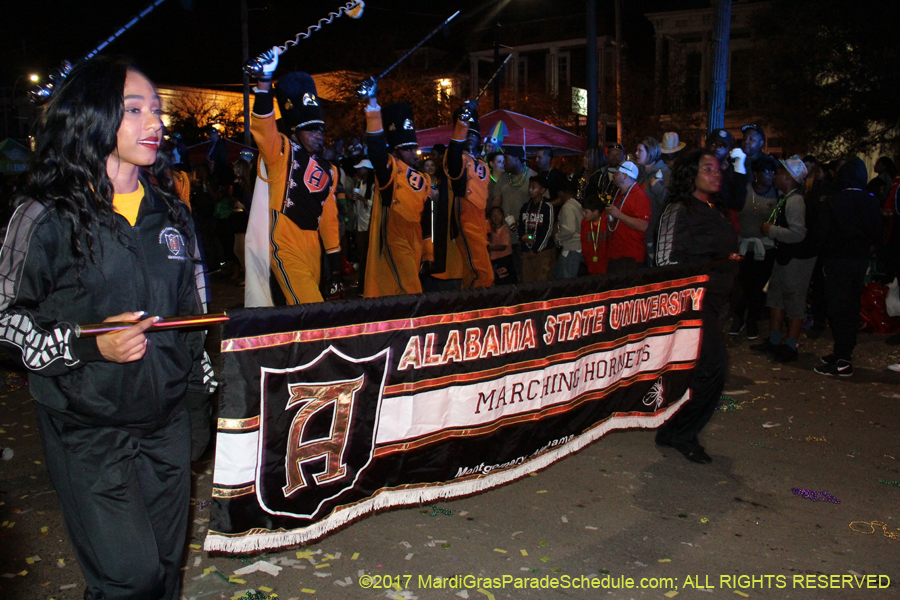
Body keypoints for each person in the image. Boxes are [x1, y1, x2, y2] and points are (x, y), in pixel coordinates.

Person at [0, 57, 217, 599]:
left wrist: (202, 402)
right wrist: (88, 344)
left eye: (158, 110)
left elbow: (194, 318)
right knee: (128, 578)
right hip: (86, 430)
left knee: (165, 573)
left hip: (166, 424)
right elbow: (5, 322)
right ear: (92, 118)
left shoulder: (173, 213)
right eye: (134, 110)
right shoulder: (44, 214)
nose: (155, 123)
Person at [654, 149, 739, 464]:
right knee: (713, 368)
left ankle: (671, 430)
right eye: (708, 169)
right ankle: (683, 433)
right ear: (691, 175)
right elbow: (665, 261)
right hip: (691, 304)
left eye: (719, 169)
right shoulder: (679, 209)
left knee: (699, 371)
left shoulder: (715, 209)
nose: (716, 174)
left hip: (714, 303)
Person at [246, 49, 343, 305]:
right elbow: (263, 128)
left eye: (320, 130)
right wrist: (264, 81)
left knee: (299, 316)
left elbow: (329, 219)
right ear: (295, 132)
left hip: (313, 248)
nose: (318, 135)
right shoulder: (282, 152)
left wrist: (335, 267)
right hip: (284, 244)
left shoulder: (330, 170)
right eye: (310, 130)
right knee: (311, 308)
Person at [814, 158, 883, 376]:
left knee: (839, 308)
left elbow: (822, 232)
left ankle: (843, 359)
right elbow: (878, 233)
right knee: (851, 306)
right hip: (859, 261)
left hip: (837, 261)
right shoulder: (871, 201)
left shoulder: (835, 201)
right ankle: (842, 352)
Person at [362, 98, 433, 296]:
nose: (413, 153)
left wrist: (428, 251)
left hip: (415, 239)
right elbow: (376, 153)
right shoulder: (389, 171)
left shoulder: (423, 179)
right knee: (412, 289)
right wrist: (374, 114)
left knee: (399, 291)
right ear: (395, 151)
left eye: (413, 148)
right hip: (394, 237)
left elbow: (427, 217)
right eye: (406, 148)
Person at [751, 156, 813, 363]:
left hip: (796, 259)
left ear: (788, 177)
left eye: (778, 172)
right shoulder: (787, 198)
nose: (774, 176)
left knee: (794, 299)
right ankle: (775, 339)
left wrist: (772, 230)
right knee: (776, 297)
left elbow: (798, 234)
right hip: (785, 256)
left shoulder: (795, 201)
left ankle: (790, 344)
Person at [729, 154, 779, 339]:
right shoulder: (744, 191)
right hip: (743, 246)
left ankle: (752, 321)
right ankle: (738, 319)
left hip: (764, 249)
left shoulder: (777, 195)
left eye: (773, 172)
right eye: (767, 172)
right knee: (740, 286)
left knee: (757, 288)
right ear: (757, 174)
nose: (771, 176)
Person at [445, 102, 493, 289]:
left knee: (472, 268)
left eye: (474, 134)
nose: (470, 138)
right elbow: (454, 155)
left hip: (480, 219)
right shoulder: (456, 158)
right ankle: (479, 308)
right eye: (467, 134)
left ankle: (469, 307)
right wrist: (461, 123)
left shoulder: (483, 164)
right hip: (465, 216)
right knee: (483, 272)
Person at [491, 145, 534, 281]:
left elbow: (539, 206)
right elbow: (496, 203)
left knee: (525, 273)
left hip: (525, 235)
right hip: (505, 236)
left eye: (506, 159)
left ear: (516, 159)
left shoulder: (532, 177)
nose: (504, 162)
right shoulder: (503, 179)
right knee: (508, 275)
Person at [605, 160, 652, 273]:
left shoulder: (639, 196)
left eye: (617, 173)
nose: (613, 176)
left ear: (625, 175)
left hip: (630, 255)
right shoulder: (619, 193)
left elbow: (643, 225)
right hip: (615, 252)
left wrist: (619, 215)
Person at [634, 136, 671, 265]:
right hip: (640, 234)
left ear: (650, 152)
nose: (636, 153)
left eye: (640, 150)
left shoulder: (665, 173)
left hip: (654, 233)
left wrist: (657, 188)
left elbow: (669, 202)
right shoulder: (640, 174)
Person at [518, 174, 555, 282]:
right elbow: (521, 226)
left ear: (542, 190)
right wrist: (522, 237)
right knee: (527, 279)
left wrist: (536, 249)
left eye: (534, 187)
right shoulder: (525, 207)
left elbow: (547, 230)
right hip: (526, 249)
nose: (530, 190)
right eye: (529, 187)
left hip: (542, 251)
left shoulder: (547, 207)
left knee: (542, 278)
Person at [553, 181, 584, 279]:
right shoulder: (577, 205)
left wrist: (557, 237)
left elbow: (569, 229)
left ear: (561, 193)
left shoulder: (567, 207)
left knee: (567, 281)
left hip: (571, 248)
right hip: (577, 247)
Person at [581, 194, 609, 275]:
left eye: (586, 212)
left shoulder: (607, 221)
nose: (583, 214)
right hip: (591, 264)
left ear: (596, 212)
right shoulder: (584, 222)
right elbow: (583, 242)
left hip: (606, 264)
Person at [488, 206, 516, 284]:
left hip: (504, 260)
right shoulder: (489, 231)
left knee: (505, 283)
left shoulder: (505, 229)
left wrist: (488, 248)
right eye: (493, 215)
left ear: (503, 217)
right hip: (494, 261)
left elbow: (503, 246)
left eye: (498, 214)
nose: (496, 217)